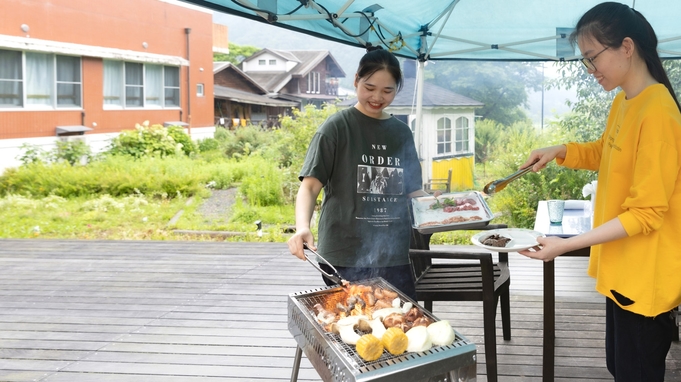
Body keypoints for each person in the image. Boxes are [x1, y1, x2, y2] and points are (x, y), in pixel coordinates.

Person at [518, 3, 681, 381]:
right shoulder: (626, 101)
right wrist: (560, 151)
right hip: (622, 272)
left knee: (635, 373)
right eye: (585, 62)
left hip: (645, 280)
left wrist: (566, 243)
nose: (591, 71)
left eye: (593, 58)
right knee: (619, 368)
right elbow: (606, 150)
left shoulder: (658, 113)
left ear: (627, 47)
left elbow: (646, 213)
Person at [287, 46, 432, 299]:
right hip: (345, 252)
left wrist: (437, 204)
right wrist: (302, 227)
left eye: (387, 90)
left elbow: (412, 191)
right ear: (356, 80)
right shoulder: (337, 127)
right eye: (370, 88)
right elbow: (310, 186)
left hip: (395, 253)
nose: (377, 97)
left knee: (401, 323)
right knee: (357, 326)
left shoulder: (401, 133)